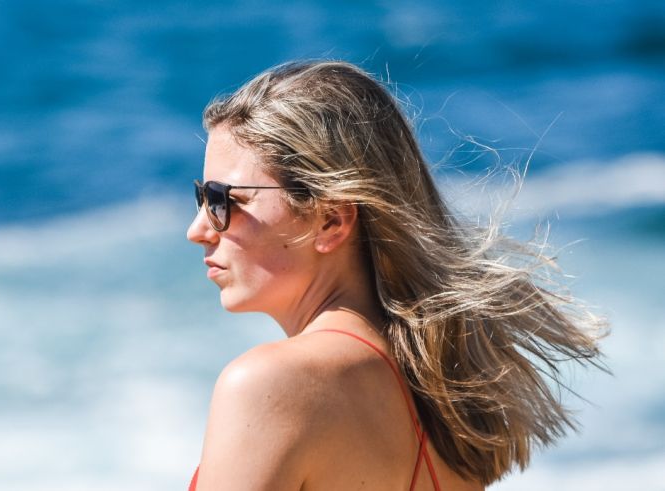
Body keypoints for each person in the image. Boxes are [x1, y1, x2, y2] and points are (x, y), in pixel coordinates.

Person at [185, 60, 606, 491]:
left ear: (330, 220)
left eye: (222, 200)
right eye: (201, 197)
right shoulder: (442, 396)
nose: (197, 230)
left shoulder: (270, 386)